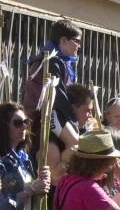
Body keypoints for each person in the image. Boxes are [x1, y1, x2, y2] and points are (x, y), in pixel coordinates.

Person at [23, 19, 82, 153]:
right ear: (63, 41)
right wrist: (73, 119)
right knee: (75, 145)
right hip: (45, 115)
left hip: (53, 113)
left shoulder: (57, 61)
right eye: (76, 41)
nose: (79, 46)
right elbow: (58, 97)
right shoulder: (50, 61)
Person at [47, 83, 96, 186]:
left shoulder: (83, 132)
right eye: (88, 110)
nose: (90, 116)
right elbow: (54, 178)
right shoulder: (50, 137)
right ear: (73, 109)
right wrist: (73, 145)